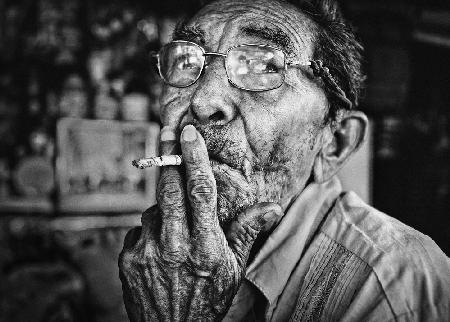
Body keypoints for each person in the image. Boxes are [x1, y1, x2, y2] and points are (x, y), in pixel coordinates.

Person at [118, 0, 450, 320]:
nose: (203, 102)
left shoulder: (394, 284)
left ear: (335, 142)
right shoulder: (156, 260)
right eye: (187, 61)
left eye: (262, 65)